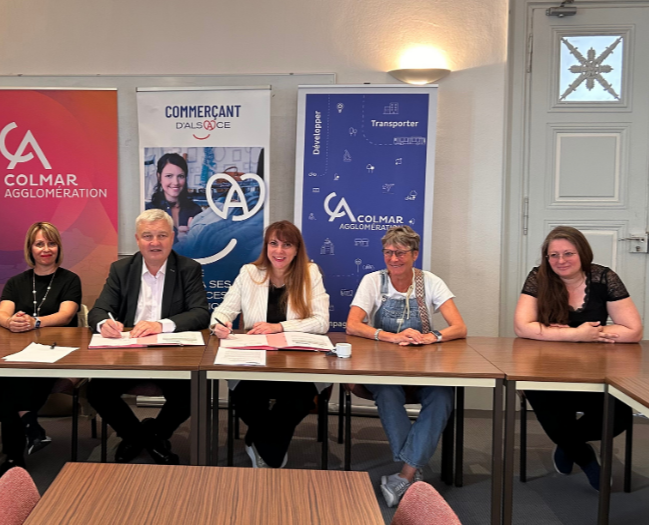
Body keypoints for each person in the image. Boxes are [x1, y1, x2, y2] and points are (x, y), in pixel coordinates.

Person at [345, 225, 467, 507]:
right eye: (388, 252)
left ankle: (405, 474)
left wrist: (431, 337)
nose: (393, 258)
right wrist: (391, 336)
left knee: (442, 396)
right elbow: (352, 325)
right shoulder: (373, 281)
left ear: (414, 254)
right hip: (382, 367)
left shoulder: (430, 282)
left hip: (424, 368)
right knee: (387, 391)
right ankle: (412, 469)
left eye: (400, 253)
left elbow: (459, 327)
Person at [514, 226, 643, 490]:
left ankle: (567, 445)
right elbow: (521, 326)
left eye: (568, 253)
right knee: (551, 411)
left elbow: (633, 331)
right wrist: (575, 334)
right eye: (553, 255)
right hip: (546, 369)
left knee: (619, 417)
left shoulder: (604, 278)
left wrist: (584, 333)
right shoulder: (538, 277)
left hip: (596, 370)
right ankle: (585, 459)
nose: (561, 260)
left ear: (582, 253)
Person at [87, 209, 208, 465]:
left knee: (192, 393)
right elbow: (98, 310)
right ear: (137, 239)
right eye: (147, 236)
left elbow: (200, 313)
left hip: (171, 356)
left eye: (162, 235)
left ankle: (153, 435)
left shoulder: (188, 269)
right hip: (128, 355)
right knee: (97, 391)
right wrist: (104, 323)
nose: (155, 242)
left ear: (172, 237)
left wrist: (160, 325)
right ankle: (141, 437)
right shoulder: (121, 269)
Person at [211, 220, 330, 469]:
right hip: (255, 362)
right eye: (273, 244)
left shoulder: (310, 273)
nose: (279, 251)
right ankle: (271, 450)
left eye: (287, 245)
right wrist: (219, 324)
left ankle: (258, 443)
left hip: (297, 363)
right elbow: (223, 311)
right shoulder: (249, 273)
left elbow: (321, 322)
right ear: (266, 247)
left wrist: (279, 327)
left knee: (298, 401)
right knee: (246, 400)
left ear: (297, 250)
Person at [0, 222, 82, 482]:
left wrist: (36, 322)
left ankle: (14, 455)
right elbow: (1, 313)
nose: (46, 249)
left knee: (9, 382)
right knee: (10, 376)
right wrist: (11, 322)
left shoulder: (69, 280)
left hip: (57, 354)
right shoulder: (16, 282)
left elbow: (66, 315)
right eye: (39, 244)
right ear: (30, 248)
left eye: (51, 243)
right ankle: (29, 430)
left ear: (58, 248)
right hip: (20, 353)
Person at [145, 153, 202, 242]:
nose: (176, 182)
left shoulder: (195, 210)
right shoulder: (148, 211)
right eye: (169, 176)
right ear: (159, 177)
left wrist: (191, 241)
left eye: (180, 176)